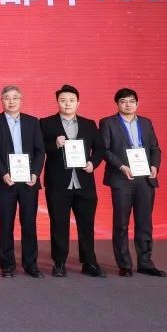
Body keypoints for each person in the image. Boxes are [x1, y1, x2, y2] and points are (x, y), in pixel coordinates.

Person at [39, 84, 106, 278]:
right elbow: (38, 148)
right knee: (59, 224)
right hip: (58, 183)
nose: (67, 104)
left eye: (71, 100)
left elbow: (100, 148)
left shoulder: (89, 124)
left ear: (78, 103)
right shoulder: (46, 123)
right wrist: (54, 144)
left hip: (84, 182)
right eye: (63, 100)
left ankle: (89, 262)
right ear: (57, 102)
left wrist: (93, 163)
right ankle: (59, 262)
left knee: (87, 224)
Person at [100, 87, 165, 277]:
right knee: (121, 224)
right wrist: (121, 166)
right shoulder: (108, 123)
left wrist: (155, 166)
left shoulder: (146, 122)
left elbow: (155, 148)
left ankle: (145, 263)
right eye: (123, 101)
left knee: (145, 223)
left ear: (137, 103)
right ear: (117, 104)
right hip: (122, 178)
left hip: (145, 178)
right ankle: (125, 264)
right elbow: (104, 150)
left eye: (131, 101)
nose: (128, 104)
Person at [0, 85, 46, 279]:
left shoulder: (32, 122)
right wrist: (3, 173)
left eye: (15, 97)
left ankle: (31, 265)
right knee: (6, 224)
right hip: (5, 181)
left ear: (21, 100)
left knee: (29, 224)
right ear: (1, 101)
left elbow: (40, 151)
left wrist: (35, 173)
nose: (11, 101)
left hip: (29, 181)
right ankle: (7, 266)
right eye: (7, 98)